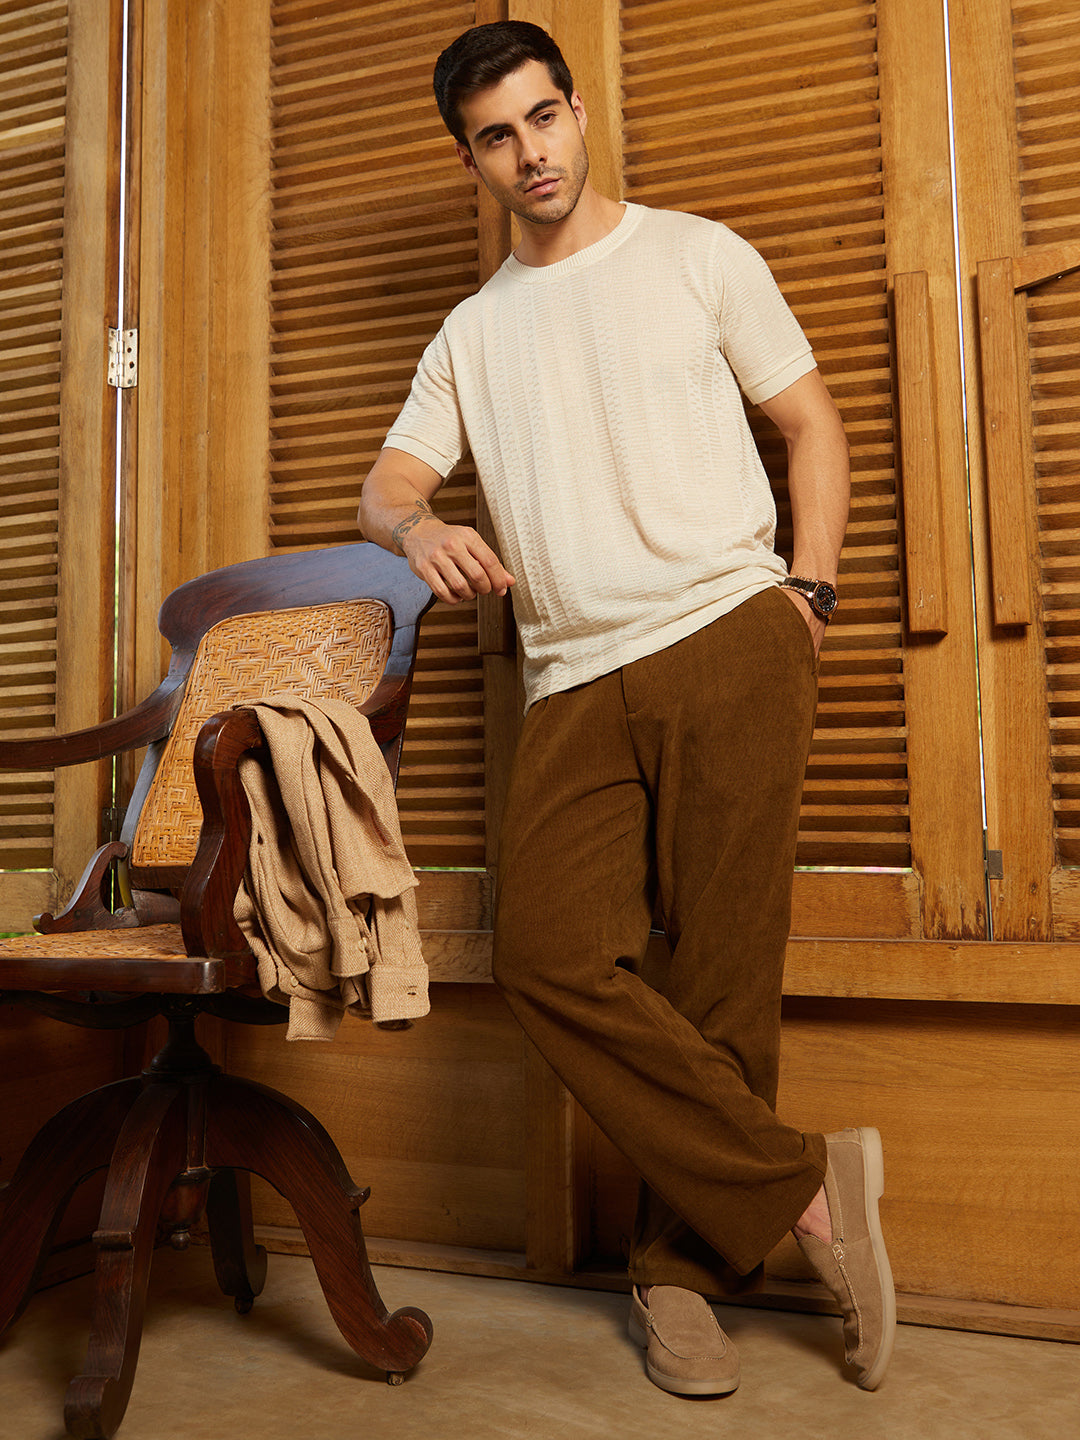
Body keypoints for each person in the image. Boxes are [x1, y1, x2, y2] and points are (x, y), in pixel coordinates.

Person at [358, 20, 895, 1399]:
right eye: (497, 136)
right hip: (571, 673)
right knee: (546, 955)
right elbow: (388, 484)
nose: (530, 153)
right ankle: (807, 1189)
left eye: (544, 117)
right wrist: (416, 528)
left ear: (578, 111)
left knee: (723, 977)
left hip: (729, 635)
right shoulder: (473, 333)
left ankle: (679, 1277)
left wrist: (809, 595)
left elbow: (811, 424)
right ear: (470, 159)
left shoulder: (699, 256)